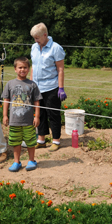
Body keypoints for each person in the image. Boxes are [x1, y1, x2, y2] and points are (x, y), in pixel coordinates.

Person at [30, 23, 67, 152]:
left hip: (51, 86)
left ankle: (56, 140)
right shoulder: (34, 47)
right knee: (40, 114)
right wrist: (31, 85)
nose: (36, 40)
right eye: (34, 38)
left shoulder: (56, 48)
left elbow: (60, 69)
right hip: (37, 86)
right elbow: (33, 67)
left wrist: (61, 88)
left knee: (53, 114)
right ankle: (41, 140)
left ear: (45, 35)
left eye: (37, 38)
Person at [2, 57, 42, 172]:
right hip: (14, 120)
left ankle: (31, 160)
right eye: (20, 67)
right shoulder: (10, 84)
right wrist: (5, 115)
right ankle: (16, 162)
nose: (22, 70)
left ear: (29, 69)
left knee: (30, 141)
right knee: (15, 141)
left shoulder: (32, 85)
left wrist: (37, 116)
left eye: (25, 67)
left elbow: (37, 101)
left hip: (29, 120)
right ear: (15, 69)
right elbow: (6, 101)